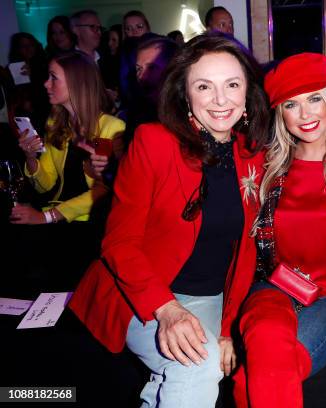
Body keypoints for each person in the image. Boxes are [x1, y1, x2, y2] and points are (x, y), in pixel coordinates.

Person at [68, 33, 270, 408]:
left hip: (209, 298)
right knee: (197, 366)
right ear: (185, 95)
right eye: (204, 86)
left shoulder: (254, 155)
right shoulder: (154, 142)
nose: (221, 99)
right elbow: (119, 243)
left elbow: (243, 254)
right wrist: (168, 310)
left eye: (232, 84)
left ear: (248, 93)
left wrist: (227, 330)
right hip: (145, 295)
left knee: (187, 372)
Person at [231, 53, 326, 408]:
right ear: (280, 115)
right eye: (291, 104)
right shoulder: (267, 169)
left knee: (257, 374)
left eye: (314, 98)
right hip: (274, 285)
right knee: (265, 332)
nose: (305, 114)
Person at [10, 50, 124, 287]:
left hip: (90, 224)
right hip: (60, 220)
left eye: (53, 77)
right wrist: (31, 158)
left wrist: (46, 217)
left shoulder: (111, 127)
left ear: (76, 83)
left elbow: (104, 190)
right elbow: (46, 183)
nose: (45, 83)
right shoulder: (56, 122)